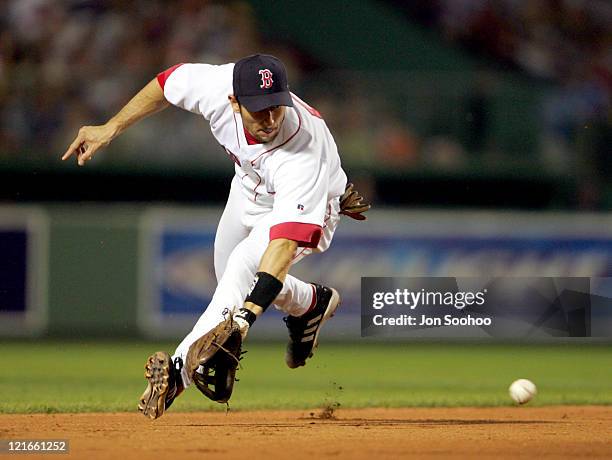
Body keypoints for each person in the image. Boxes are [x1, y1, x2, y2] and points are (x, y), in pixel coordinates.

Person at [62, 54, 369, 419]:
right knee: (229, 277)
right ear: (234, 101)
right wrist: (111, 127)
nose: (270, 118)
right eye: (258, 110)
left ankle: (176, 374)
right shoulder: (213, 86)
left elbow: (282, 246)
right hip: (248, 189)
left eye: (276, 106)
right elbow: (165, 84)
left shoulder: (302, 150)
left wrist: (244, 320)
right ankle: (309, 304)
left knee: (242, 266)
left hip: (311, 200)